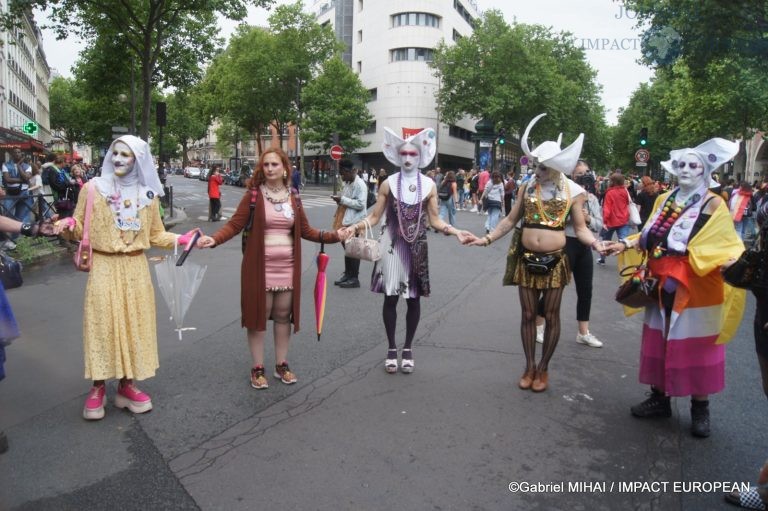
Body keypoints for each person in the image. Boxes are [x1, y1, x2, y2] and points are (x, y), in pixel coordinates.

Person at [54, 135, 200, 421]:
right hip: (104, 266)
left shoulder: (148, 195)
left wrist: (182, 238)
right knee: (102, 323)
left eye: (127, 155)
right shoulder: (93, 188)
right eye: (115, 153)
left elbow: (156, 234)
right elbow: (79, 224)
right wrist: (67, 224)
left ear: (139, 160)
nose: (119, 159)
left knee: (135, 324)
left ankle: (126, 385)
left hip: (136, 267)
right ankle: (98, 386)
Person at [609, 137, 745, 438]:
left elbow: (727, 243)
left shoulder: (715, 204)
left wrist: (730, 260)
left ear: (704, 171)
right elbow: (647, 234)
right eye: (681, 164)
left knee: (696, 344)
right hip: (660, 281)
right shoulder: (663, 200)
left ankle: (700, 408)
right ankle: (660, 398)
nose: (685, 170)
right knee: (660, 338)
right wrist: (622, 243)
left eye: (693, 165)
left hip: (697, 286)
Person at [464, 114, 605, 392]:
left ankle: (544, 369)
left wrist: (597, 244)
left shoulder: (573, 191)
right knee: (528, 314)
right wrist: (486, 239)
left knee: (551, 316)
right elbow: (509, 219)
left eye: (542, 167)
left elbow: (580, 228)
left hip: (556, 262)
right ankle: (529, 366)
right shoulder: (527, 187)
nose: (536, 171)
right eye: (536, 165)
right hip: (526, 260)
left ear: (555, 167)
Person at [197, 148, 344, 389]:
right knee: (258, 318)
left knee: (283, 317)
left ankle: (281, 364)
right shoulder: (254, 195)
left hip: (286, 267)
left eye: (275, 164)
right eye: (266, 165)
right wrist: (214, 239)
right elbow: (234, 225)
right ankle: (257, 368)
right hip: (259, 268)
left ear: (285, 167)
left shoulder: (293, 196)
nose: (270, 169)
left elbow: (306, 230)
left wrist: (334, 236)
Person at [342, 128, 471, 374]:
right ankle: (392, 347)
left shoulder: (429, 185)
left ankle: (408, 347)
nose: (408, 158)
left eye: (413, 153)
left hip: (417, 247)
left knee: (413, 299)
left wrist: (456, 232)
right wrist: (355, 227)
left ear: (420, 156)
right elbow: (375, 215)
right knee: (390, 298)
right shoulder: (388, 183)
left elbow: (435, 220)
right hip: (390, 245)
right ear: (398, 156)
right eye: (404, 154)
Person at [535, 160, 604, 348]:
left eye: (586, 172)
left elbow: (599, 224)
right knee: (555, 288)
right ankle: (538, 326)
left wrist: (587, 217)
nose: (584, 176)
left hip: (584, 246)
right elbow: (550, 220)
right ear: (570, 175)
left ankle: (583, 332)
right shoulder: (562, 195)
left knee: (586, 290)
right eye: (579, 173)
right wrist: (571, 213)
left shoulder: (592, 199)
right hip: (565, 243)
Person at [332, 159, 368, 289]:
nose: (342, 176)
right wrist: (340, 201)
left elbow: (360, 204)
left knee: (354, 250)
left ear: (352, 171)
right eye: (341, 173)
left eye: (344, 173)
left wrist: (342, 199)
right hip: (346, 220)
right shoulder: (348, 182)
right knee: (348, 249)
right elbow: (347, 201)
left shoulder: (360, 185)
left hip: (355, 222)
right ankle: (348, 274)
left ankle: (354, 278)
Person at [597, 172, 632, 265]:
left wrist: (604, 221)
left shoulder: (610, 192)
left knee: (605, 241)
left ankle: (602, 259)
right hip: (623, 220)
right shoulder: (625, 191)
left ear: (612, 181)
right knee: (624, 241)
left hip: (611, 221)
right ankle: (626, 261)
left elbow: (607, 208)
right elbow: (628, 204)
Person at [2, 148, 33, 232]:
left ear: (21, 154)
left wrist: (19, 166)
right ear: (12, 154)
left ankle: (14, 240)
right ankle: (8, 231)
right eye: (15, 152)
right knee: (6, 213)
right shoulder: (6, 165)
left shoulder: (27, 166)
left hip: (23, 193)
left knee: (21, 216)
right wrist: (23, 180)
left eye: (19, 152)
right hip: (11, 193)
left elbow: (27, 177)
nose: (17, 154)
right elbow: (7, 179)